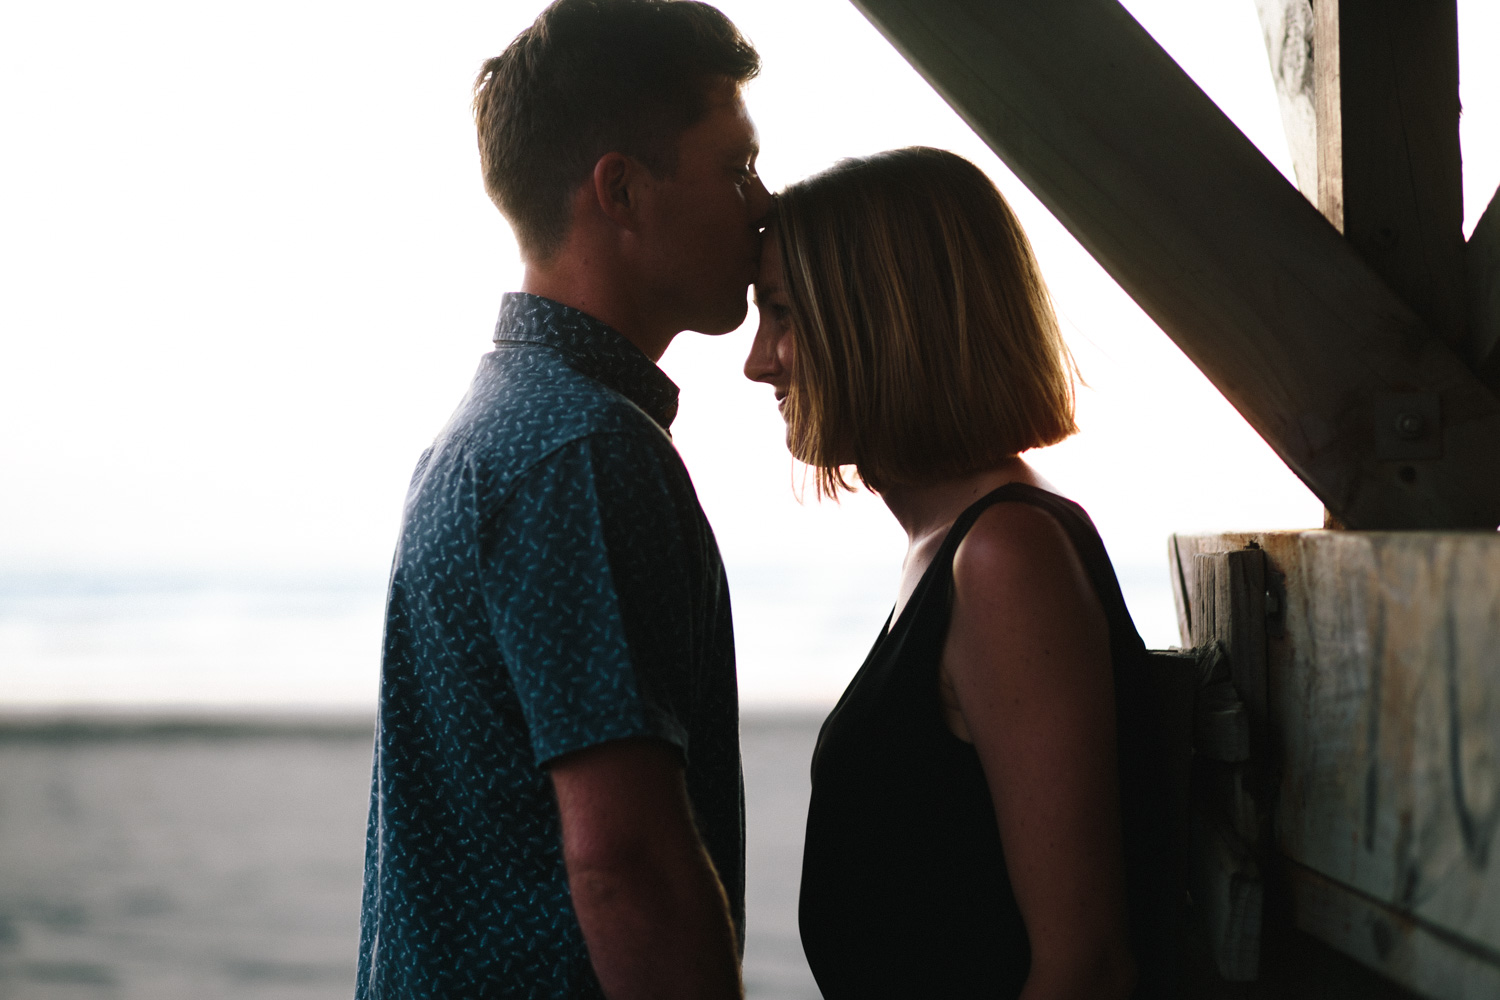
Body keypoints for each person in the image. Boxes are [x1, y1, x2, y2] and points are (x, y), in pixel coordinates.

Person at [356, 2, 771, 997]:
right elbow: (624, 867)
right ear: (621, 190)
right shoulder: (581, 452)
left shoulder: (500, 423)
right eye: (736, 167)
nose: (765, 205)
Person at [745, 147, 1172, 999]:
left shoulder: (1006, 558)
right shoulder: (947, 549)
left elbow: (1084, 967)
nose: (760, 361)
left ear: (884, 320)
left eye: (784, 315)